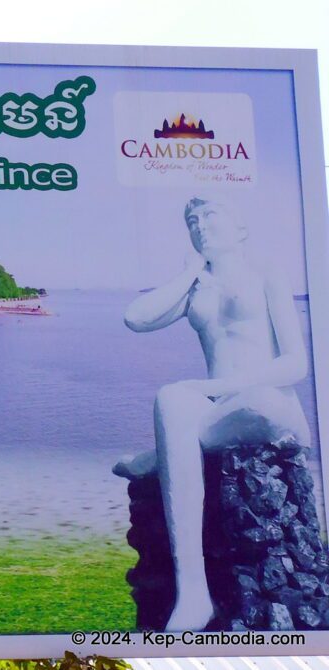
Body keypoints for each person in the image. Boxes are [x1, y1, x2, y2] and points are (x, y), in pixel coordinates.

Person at [116, 197, 310, 631]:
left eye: (210, 216)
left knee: (228, 402)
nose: (200, 226)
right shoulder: (196, 287)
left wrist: (212, 389)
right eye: (192, 221)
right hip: (219, 412)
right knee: (170, 397)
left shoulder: (265, 272)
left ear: (240, 228)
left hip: (266, 403)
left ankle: (162, 456)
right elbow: (135, 318)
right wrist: (188, 272)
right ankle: (193, 594)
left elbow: (296, 364)